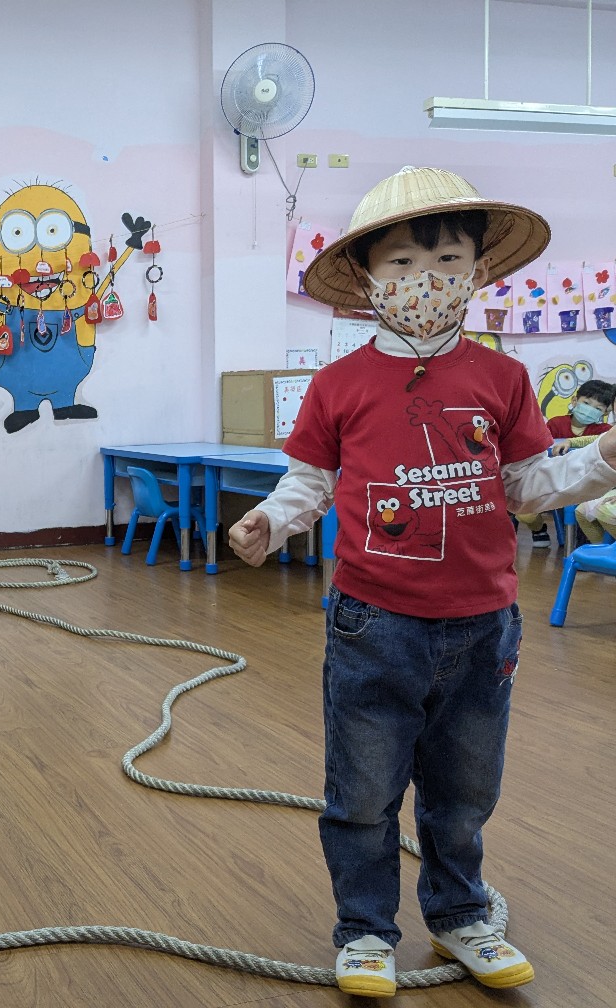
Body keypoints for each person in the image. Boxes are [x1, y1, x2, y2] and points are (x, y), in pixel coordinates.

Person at [228, 166, 616, 998]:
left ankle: (460, 915)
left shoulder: (502, 379)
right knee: (364, 790)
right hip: (374, 623)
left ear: (478, 270)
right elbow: (309, 482)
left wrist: (600, 459)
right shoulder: (338, 384)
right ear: (367, 276)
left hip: (484, 626)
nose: (425, 280)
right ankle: (366, 931)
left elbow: (526, 487)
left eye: (446, 260)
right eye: (402, 262)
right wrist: (271, 519)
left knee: (465, 790)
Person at [515, 379, 614, 545]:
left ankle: (588, 546)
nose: (590, 410)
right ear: (575, 401)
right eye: (586, 403)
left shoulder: (604, 431)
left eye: (598, 408)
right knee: (525, 513)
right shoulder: (556, 423)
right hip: (552, 479)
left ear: (605, 412)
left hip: (587, 483)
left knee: (585, 512)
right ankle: (538, 529)